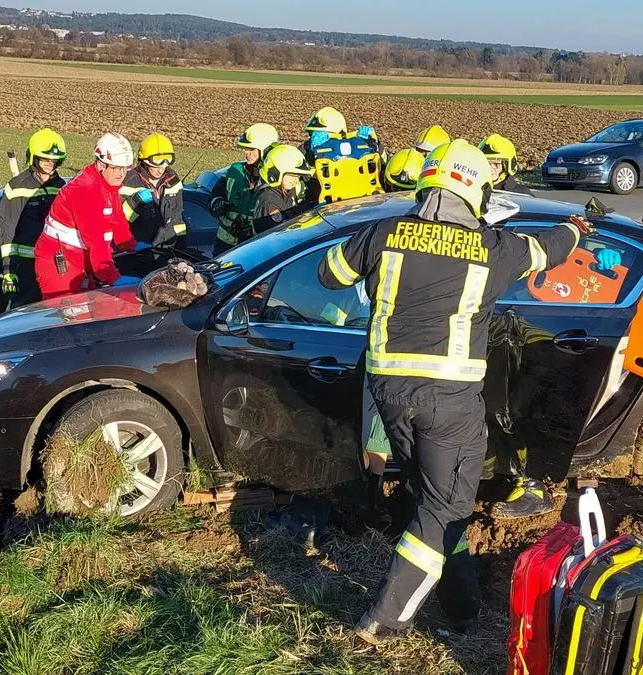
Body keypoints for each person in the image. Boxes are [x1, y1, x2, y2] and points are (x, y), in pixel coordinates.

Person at [316, 139, 596, 643]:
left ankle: (463, 605)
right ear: (476, 194)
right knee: (446, 504)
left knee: (434, 497)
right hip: (450, 402)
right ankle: (386, 619)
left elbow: (329, 273)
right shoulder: (494, 246)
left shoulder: (385, 233)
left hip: (389, 393)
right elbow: (549, 251)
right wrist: (574, 229)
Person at [34, 132, 138, 300]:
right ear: (101, 164)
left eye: (124, 168)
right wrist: (113, 278)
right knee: (65, 317)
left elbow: (117, 221)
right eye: (116, 168)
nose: (121, 174)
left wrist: (131, 245)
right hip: (60, 263)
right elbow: (96, 240)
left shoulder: (109, 186)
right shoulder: (85, 189)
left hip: (82, 261)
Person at [0, 128, 67, 308]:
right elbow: (7, 229)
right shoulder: (17, 186)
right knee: (20, 314)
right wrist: (8, 270)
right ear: (33, 157)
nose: (49, 164)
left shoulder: (61, 186)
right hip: (25, 267)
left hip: (53, 264)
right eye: (45, 159)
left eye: (53, 160)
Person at [212, 123, 279, 255]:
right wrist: (217, 202)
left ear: (266, 150)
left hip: (255, 246)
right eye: (245, 149)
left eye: (251, 149)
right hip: (224, 245)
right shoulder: (235, 171)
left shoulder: (276, 178)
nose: (246, 153)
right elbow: (216, 193)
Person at [303, 106, 384, 205]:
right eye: (312, 134)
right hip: (325, 203)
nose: (314, 137)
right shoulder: (307, 151)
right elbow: (303, 173)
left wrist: (374, 143)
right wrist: (311, 152)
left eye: (318, 133)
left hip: (363, 201)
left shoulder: (361, 149)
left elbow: (382, 168)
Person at [121, 133, 186, 248]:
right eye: (156, 165)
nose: (161, 170)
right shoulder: (129, 182)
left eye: (165, 165)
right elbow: (119, 221)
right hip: (137, 250)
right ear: (144, 161)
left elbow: (177, 219)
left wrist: (181, 245)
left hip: (167, 248)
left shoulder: (173, 181)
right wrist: (134, 203)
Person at [253, 144, 313, 234]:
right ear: (275, 172)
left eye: (297, 176)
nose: (295, 180)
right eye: (291, 175)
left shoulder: (288, 191)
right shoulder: (269, 201)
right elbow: (278, 235)